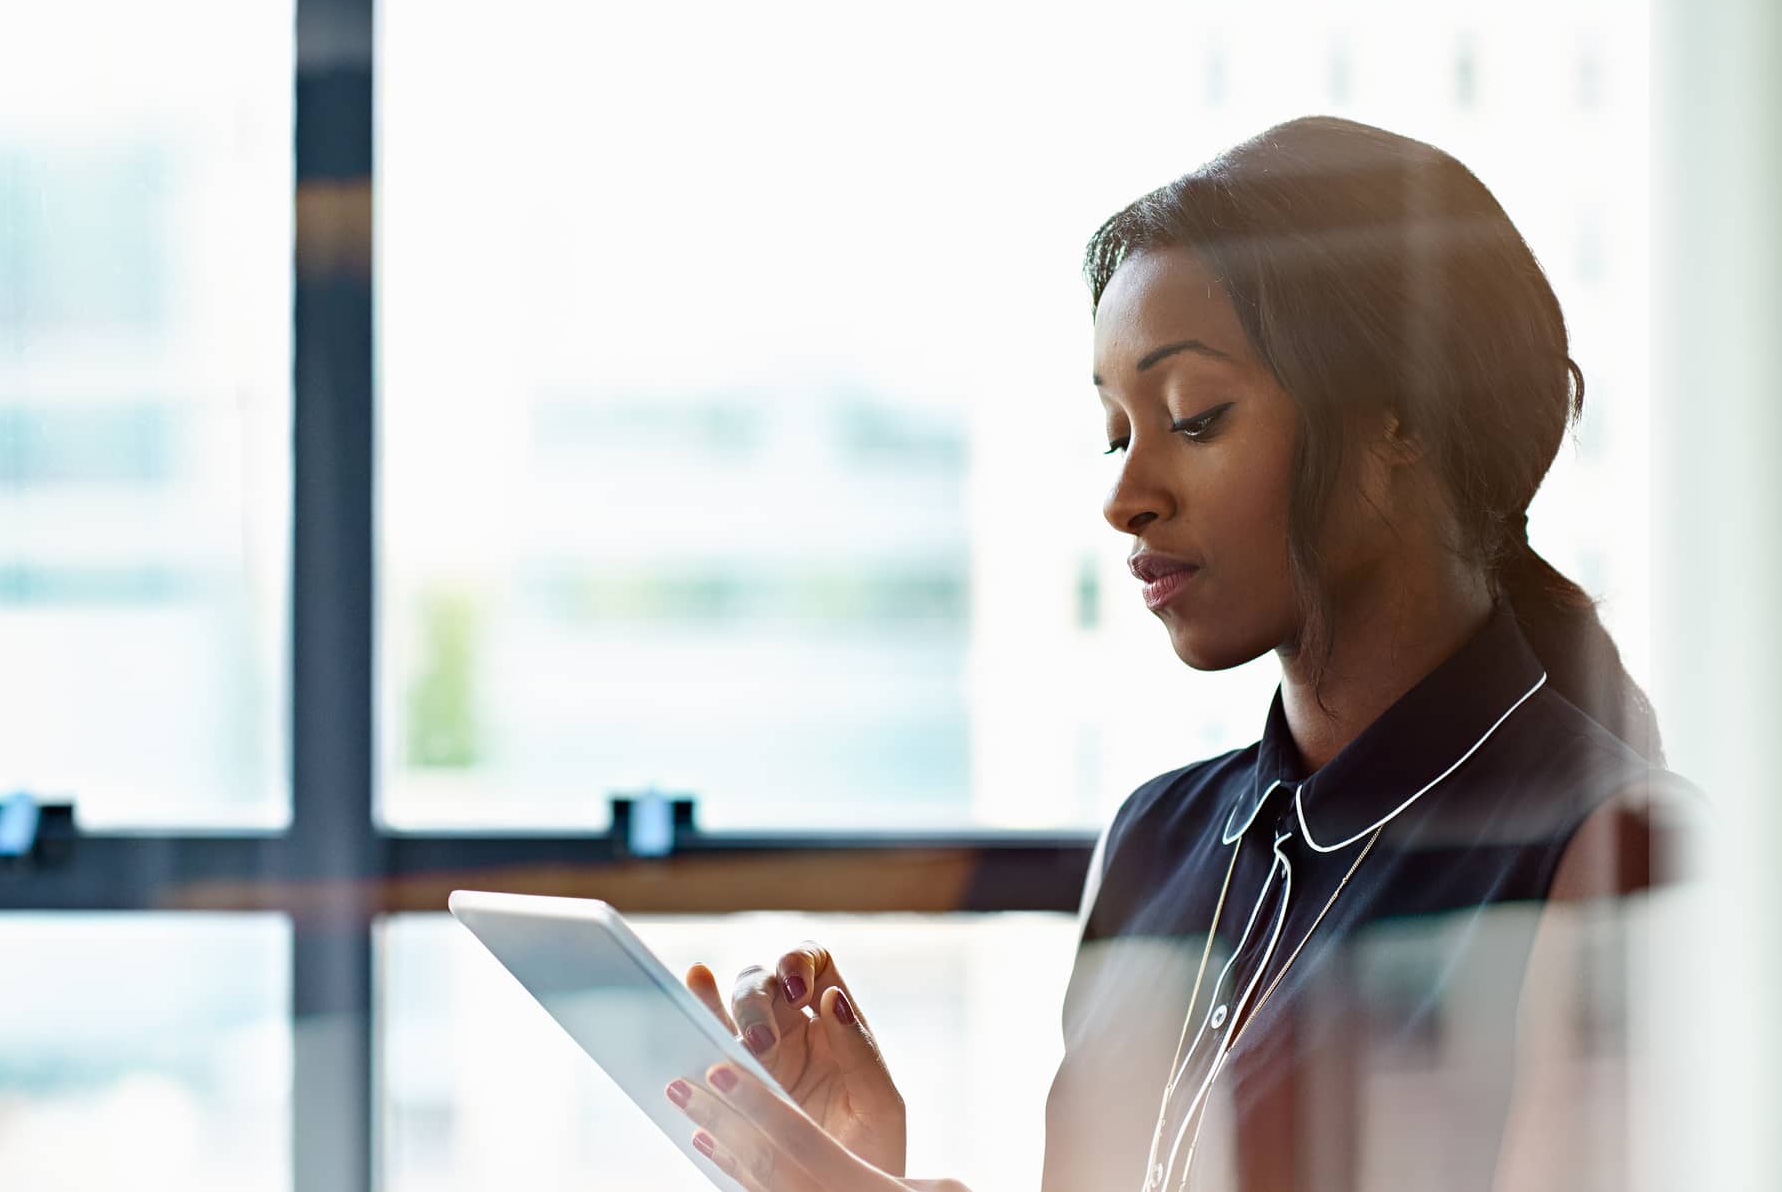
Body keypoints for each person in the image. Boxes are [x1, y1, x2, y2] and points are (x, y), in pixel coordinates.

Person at [656, 116, 1695, 1192]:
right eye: (1117, 431)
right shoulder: (1154, 840)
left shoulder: (1626, 853)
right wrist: (861, 1164)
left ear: (1404, 421)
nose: (1123, 496)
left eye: (1192, 416)